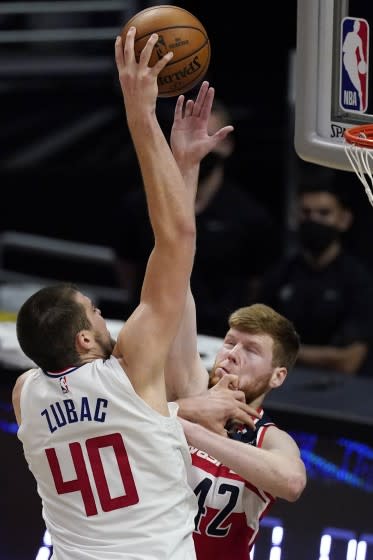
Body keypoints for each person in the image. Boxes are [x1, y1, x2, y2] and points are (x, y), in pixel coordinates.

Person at [11, 28, 234, 559]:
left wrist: (179, 412)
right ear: (86, 339)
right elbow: (177, 240)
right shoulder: (129, 370)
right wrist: (141, 113)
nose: (107, 316)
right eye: (96, 312)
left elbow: (130, 418)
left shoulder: (26, 394)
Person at [110, 98, 276, 337]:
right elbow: (126, 264)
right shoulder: (140, 203)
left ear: (227, 144)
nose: (199, 144)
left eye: (207, 136)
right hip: (153, 330)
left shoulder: (250, 215)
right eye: (191, 136)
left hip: (217, 335)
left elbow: (257, 282)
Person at [164, 288, 306, 558]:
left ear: (277, 377)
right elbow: (178, 291)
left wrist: (188, 428)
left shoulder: (269, 439)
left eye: (251, 350)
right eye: (230, 343)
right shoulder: (187, 387)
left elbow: (292, 483)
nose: (233, 354)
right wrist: (188, 409)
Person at [258, 181, 373, 376]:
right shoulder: (280, 274)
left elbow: (348, 361)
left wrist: (280, 351)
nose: (313, 220)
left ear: (344, 220)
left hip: (342, 389)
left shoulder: (359, 281)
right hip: (281, 382)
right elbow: (255, 343)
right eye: (306, 212)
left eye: (324, 213)